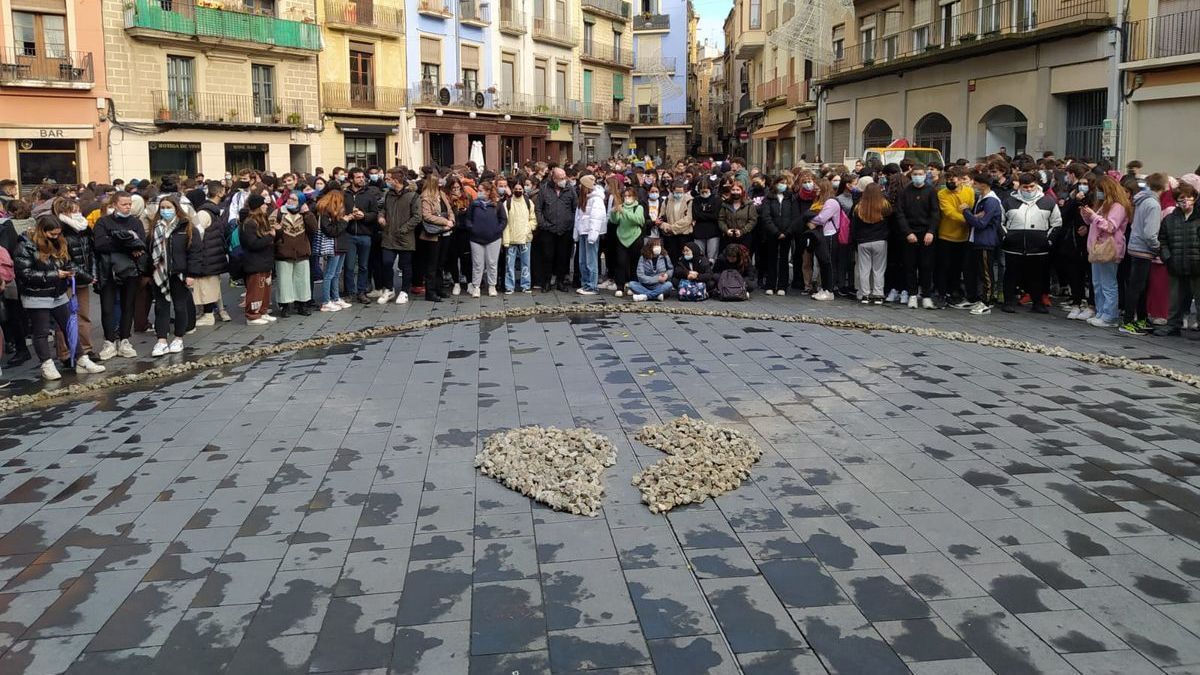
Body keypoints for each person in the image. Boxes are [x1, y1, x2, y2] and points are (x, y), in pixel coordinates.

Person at [14, 214, 104, 379]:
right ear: (43, 231)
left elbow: (68, 263)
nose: (56, 237)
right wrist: (56, 274)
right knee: (40, 331)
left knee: (70, 326)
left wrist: (85, 276)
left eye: (58, 234)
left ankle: (81, 359)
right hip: (36, 295)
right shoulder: (25, 245)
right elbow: (25, 273)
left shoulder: (59, 242)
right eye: (52, 234)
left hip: (57, 292)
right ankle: (47, 364)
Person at [93, 192, 145, 360]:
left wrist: (116, 239)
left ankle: (124, 339)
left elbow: (141, 244)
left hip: (130, 270)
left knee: (128, 305)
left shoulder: (135, 222)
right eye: (124, 204)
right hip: (107, 270)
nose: (128, 207)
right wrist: (127, 242)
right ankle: (109, 341)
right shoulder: (103, 222)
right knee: (107, 306)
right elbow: (100, 244)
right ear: (114, 204)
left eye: (129, 204)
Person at [1001, 172, 1062, 313]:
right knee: (1011, 275)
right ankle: (1008, 302)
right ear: (1020, 186)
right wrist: (1006, 237)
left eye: (1031, 186)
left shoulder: (1048, 202)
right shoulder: (1009, 201)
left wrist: (1049, 241)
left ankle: (1037, 303)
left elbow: (1057, 223)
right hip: (1013, 247)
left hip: (1039, 248)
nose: (1028, 189)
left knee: (1037, 276)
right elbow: (1000, 222)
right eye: (1025, 187)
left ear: (1036, 185)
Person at [147, 197, 199, 355]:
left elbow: (195, 252)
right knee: (161, 307)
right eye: (162, 207)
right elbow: (149, 249)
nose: (165, 210)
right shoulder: (155, 227)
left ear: (176, 208)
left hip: (180, 273)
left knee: (180, 306)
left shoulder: (187, 227)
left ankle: (178, 338)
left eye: (168, 207)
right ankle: (161, 340)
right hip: (160, 273)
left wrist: (192, 274)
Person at [51, 197, 96, 366]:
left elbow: (91, 252)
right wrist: (85, 274)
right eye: (73, 210)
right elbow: (63, 258)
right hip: (66, 279)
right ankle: (65, 353)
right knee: (65, 316)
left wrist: (90, 274)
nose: (77, 213)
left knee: (83, 315)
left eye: (78, 210)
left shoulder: (84, 228)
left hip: (82, 278)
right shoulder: (60, 230)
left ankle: (86, 348)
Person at [1082, 174, 1130, 328]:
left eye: (1100, 190)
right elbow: (1096, 223)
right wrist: (1087, 216)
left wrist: (1094, 216)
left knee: (1108, 283)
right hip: (1097, 248)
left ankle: (1110, 315)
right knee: (1097, 283)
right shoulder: (1104, 205)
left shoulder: (1118, 206)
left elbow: (1110, 227)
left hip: (1109, 248)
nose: (1098, 193)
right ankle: (1101, 312)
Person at [1121, 173, 1166, 334]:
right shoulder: (1153, 204)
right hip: (1144, 249)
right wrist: (1157, 246)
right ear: (1164, 187)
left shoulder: (1141, 200)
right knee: (1137, 287)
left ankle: (1141, 318)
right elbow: (1150, 232)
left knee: (1140, 286)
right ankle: (1128, 321)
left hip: (1135, 245)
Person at [1155, 184, 1200, 336]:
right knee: (1175, 299)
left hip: (1197, 265)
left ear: (1195, 198)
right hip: (1176, 264)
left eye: (1189, 197)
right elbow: (1162, 240)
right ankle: (1173, 325)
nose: (1186, 201)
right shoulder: (1170, 219)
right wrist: (1167, 258)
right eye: (1182, 198)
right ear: (1176, 200)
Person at [894, 164, 942, 309]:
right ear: (911, 175)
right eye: (915, 174)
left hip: (926, 233)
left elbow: (935, 213)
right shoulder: (905, 191)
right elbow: (900, 213)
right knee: (909, 265)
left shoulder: (931, 191)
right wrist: (907, 232)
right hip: (909, 233)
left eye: (921, 174)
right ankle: (912, 294)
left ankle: (926, 295)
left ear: (925, 175)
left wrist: (931, 231)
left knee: (926, 266)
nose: (918, 176)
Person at [961, 171, 1003, 315]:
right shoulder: (982, 198)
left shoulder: (991, 201)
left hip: (986, 240)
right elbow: (977, 219)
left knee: (986, 272)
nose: (973, 185)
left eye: (976, 183)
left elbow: (981, 223)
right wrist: (973, 216)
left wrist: (966, 212)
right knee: (975, 270)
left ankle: (987, 301)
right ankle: (976, 298)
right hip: (976, 240)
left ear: (983, 184)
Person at [189, 182, 231, 325]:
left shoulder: (206, 212)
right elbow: (198, 236)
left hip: (209, 256)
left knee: (208, 286)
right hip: (210, 255)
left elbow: (197, 236)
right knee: (208, 286)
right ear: (219, 192)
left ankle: (209, 313)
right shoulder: (209, 212)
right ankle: (212, 312)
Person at [272, 190, 317, 317]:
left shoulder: (305, 214)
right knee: (284, 281)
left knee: (302, 280)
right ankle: (285, 306)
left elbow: (313, 229)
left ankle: (302, 305)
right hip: (283, 252)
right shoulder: (279, 212)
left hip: (302, 252)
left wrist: (307, 213)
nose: (290, 201)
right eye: (289, 198)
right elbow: (271, 230)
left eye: (294, 199)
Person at [380, 168, 420, 305]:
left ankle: (404, 291)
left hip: (405, 237)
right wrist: (381, 217)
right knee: (386, 263)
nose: (386, 181)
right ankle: (389, 289)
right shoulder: (388, 194)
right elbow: (382, 208)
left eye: (388, 179)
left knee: (405, 265)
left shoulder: (412, 195)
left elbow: (417, 216)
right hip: (389, 235)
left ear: (396, 180)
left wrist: (404, 229)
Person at [534, 167, 577, 292]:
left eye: (564, 177)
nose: (564, 180)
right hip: (548, 230)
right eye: (561, 178)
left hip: (565, 230)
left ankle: (560, 281)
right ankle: (546, 282)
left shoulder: (570, 189)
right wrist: (543, 224)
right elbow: (538, 209)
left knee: (563, 257)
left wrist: (571, 223)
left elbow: (575, 208)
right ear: (554, 178)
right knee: (547, 256)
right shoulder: (545, 189)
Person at [937, 166, 976, 308]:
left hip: (963, 236)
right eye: (947, 179)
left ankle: (955, 291)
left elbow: (970, 206)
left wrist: (966, 212)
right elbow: (950, 213)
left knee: (957, 267)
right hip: (946, 235)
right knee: (944, 266)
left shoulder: (969, 191)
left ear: (960, 180)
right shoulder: (942, 194)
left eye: (952, 179)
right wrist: (970, 218)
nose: (949, 181)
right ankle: (942, 293)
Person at [343, 168, 381, 304]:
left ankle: (362, 291)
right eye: (358, 177)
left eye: (362, 177)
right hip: (349, 234)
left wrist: (364, 216)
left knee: (364, 266)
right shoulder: (344, 195)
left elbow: (375, 213)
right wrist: (348, 216)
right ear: (351, 179)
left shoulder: (369, 194)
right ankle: (349, 292)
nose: (361, 179)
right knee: (349, 266)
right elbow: (339, 212)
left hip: (365, 234)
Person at [465, 178, 506, 298]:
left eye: (481, 190)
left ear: (488, 192)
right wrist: (472, 228)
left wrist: (496, 230)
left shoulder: (497, 204)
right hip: (476, 239)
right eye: (478, 190)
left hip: (493, 238)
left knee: (492, 263)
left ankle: (492, 286)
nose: (479, 192)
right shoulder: (474, 204)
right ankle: (476, 286)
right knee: (477, 264)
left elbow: (503, 220)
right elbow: (468, 219)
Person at [239, 194, 276, 325]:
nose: (266, 206)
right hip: (255, 262)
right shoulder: (249, 223)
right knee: (256, 290)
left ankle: (263, 311)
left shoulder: (262, 220)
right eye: (263, 204)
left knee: (265, 288)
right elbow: (252, 244)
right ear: (258, 207)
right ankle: (252, 315)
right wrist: (270, 237)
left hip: (265, 261)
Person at [420, 172, 456, 302]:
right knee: (432, 264)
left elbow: (449, 209)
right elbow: (426, 216)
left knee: (441, 263)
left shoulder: (441, 195)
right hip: (433, 235)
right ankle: (431, 292)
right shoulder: (425, 197)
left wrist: (451, 220)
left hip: (445, 233)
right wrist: (444, 222)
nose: (442, 183)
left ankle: (439, 288)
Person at [853, 183, 891, 304]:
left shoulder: (858, 207)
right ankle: (878, 294)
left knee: (864, 269)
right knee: (878, 269)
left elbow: (854, 227)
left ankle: (865, 294)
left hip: (863, 241)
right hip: (880, 240)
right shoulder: (885, 205)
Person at [315, 189, 351, 312]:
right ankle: (326, 301)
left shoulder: (336, 214)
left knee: (336, 274)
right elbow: (331, 231)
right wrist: (344, 221)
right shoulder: (325, 214)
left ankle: (335, 298)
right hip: (333, 246)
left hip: (340, 245)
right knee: (329, 274)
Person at [760, 175, 797, 295]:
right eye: (781, 183)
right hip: (772, 234)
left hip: (787, 233)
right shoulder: (768, 198)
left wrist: (787, 232)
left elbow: (794, 217)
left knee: (784, 259)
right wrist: (775, 231)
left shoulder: (791, 198)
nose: (783, 185)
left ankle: (782, 285)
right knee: (771, 258)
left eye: (785, 183)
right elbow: (766, 216)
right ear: (775, 184)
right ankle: (770, 284)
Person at [805, 179, 840, 301]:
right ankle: (824, 288)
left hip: (829, 234)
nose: (815, 189)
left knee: (827, 263)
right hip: (821, 234)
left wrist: (811, 221)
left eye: (818, 187)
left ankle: (829, 290)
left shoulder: (831, 202)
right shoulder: (820, 201)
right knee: (822, 263)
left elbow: (822, 218)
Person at [609, 187, 647, 297]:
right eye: (625, 196)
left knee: (634, 263)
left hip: (635, 237)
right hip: (621, 237)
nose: (627, 198)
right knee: (621, 262)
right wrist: (614, 212)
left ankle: (633, 286)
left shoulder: (638, 207)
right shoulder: (621, 207)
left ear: (634, 197)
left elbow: (639, 220)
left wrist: (624, 211)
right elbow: (615, 221)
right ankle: (620, 286)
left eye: (629, 196)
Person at [574, 174, 606, 296]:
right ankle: (585, 283)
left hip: (590, 233)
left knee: (590, 261)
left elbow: (596, 218)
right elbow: (578, 217)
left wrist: (593, 235)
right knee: (582, 260)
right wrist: (576, 232)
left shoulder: (596, 199)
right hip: (583, 231)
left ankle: (592, 285)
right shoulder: (584, 198)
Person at [502, 180, 535, 294]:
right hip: (511, 239)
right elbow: (504, 222)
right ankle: (509, 286)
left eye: (520, 189)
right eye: (516, 189)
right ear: (512, 189)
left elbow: (533, 218)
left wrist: (528, 228)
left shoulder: (528, 202)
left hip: (525, 239)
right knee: (509, 265)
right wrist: (505, 240)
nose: (518, 190)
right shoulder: (507, 203)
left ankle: (526, 285)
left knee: (526, 264)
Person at [660, 180, 693, 264]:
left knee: (684, 258)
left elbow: (688, 219)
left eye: (681, 192)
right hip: (670, 235)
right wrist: (665, 226)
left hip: (684, 234)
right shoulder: (667, 200)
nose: (679, 194)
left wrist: (673, 228)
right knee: (671, 257)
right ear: (672, 190)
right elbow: (661, 217)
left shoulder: (689, 200)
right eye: (676, 192)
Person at [718, 181, 756, 250]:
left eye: (738, 190)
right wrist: (726, 230)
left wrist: (742, 231)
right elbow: (721, 219)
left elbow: (752, 220)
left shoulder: (749, 204)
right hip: (729, 236)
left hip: (744, 236)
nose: (735, 192)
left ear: (742, 191)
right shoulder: (725, 204)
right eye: (733, 190)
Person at [691, 177, 722, 260]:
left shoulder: (716, 199)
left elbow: (715, 215)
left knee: (712, 257)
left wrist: (702, 214)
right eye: (701, 190)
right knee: (699, 256)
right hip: (699, 232)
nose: (704, 192)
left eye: (706, 190)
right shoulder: (696, 200)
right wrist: (708, 214)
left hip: (713, 232)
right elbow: (695, 215)